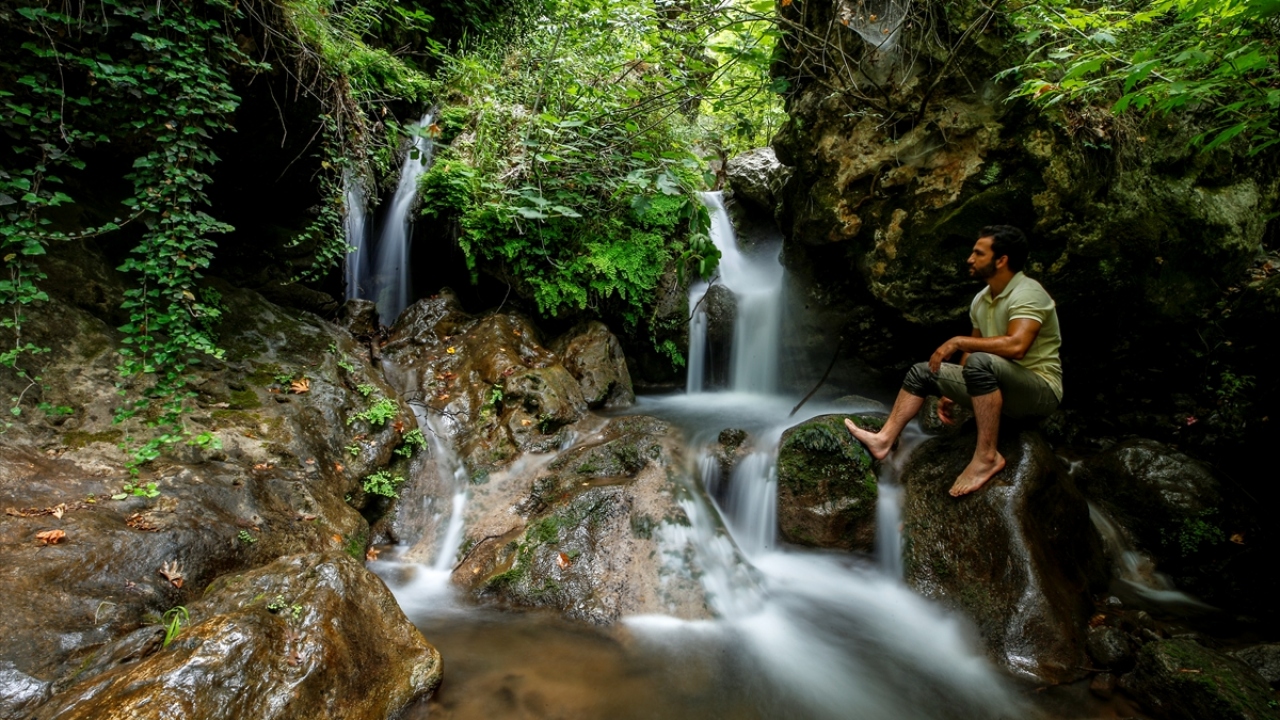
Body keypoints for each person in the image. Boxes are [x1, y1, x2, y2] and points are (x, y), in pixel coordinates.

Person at [844, 225, 1063, 497]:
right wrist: (953, 386)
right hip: (998, 384)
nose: (970, 258)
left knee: (981, 362)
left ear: (1001, 260)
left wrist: (958, 341)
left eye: (978, 253)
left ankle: (986, 457)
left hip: (1039, 392)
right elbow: (971, 355)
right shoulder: (981, 300)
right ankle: (884, 439)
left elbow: (1017, 346)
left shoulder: (1028, 293)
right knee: (922, 372)